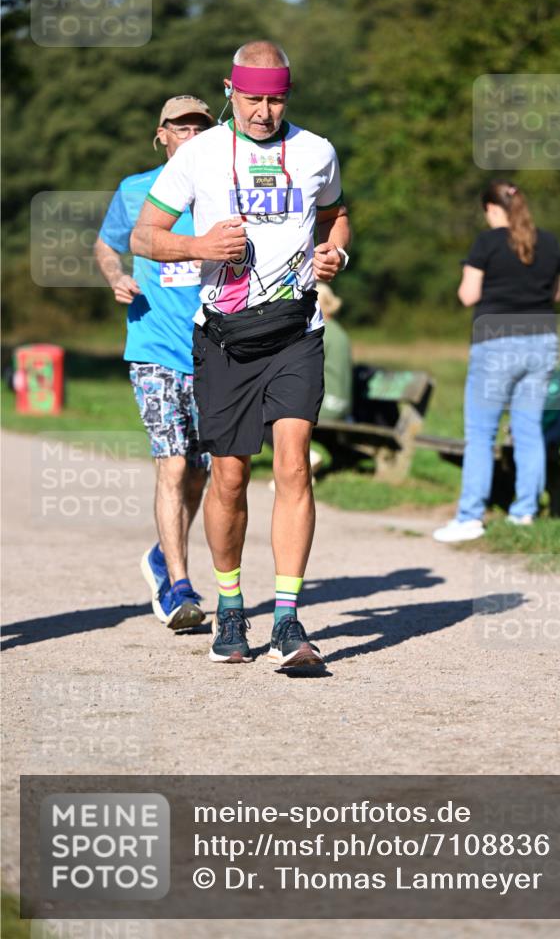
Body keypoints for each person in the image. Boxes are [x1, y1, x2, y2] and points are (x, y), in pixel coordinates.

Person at [131, 41, 351, 669]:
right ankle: (231, 607)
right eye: (253, 97)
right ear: (231, 90)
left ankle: (287, 619)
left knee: (294, 465)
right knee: (227, 477)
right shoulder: (199, 154)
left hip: (295, 331)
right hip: (224, 338)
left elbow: (336, 216)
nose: (264, 110)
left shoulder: (315, 151)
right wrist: (199, 242)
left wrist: (337, 251)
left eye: (276, 98)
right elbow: (144, 236)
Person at [94, 95, 215, 628]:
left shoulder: (221, 192)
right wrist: (116, 274)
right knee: (172, 464)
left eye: (200, 127)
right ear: (161, 134)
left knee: (202, 472)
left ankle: (162, 554)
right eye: (181, 127)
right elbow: (105, 245)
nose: (191, 134)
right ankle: (180, 589)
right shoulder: (135, 189)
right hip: (154, 349)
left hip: (213, 351)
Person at [433, 180, 560, 543]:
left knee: (480, 433)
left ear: (491, 209)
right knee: (528, 429)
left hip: (497, 343)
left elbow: (468, 294)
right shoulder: (549, 242)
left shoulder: (487, 243)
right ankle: (524, 513)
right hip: (542, 342)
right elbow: (557, 292)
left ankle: (470, 517)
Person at [317, 281, 353, 421]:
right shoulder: (339, 331)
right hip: (343, 406)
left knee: (267, 414)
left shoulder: (320, 331)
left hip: (326, 408)